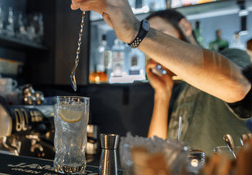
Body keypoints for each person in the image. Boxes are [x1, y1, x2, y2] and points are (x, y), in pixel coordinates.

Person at [71, 0, 252, 155]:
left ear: (185, 26)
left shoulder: (232, 56)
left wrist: (138, 33)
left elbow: (238, 85)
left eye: (160, 33)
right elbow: (156, 153)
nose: (153, 51)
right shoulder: (179, 89)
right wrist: (162, 95)